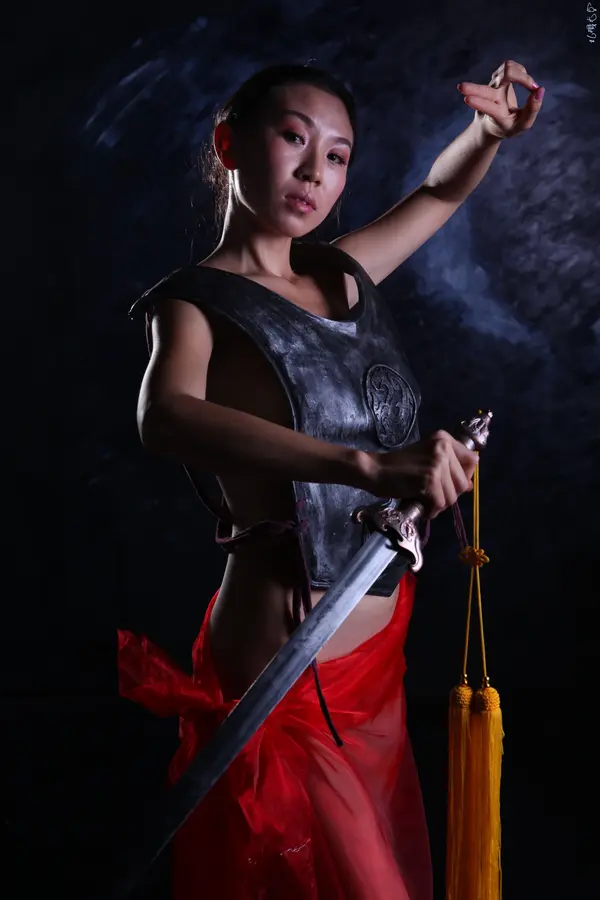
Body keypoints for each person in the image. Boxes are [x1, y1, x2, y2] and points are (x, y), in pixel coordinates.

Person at [117, 64, 479, 900]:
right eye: (293, 138)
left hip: (375, 649)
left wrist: (489, 133)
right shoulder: (194, 302)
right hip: (287, 653)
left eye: (339, 155)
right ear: (229, 145)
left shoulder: (341, 274)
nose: (316, 171)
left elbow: (439, 192)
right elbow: (164, 415)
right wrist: (363, 466)